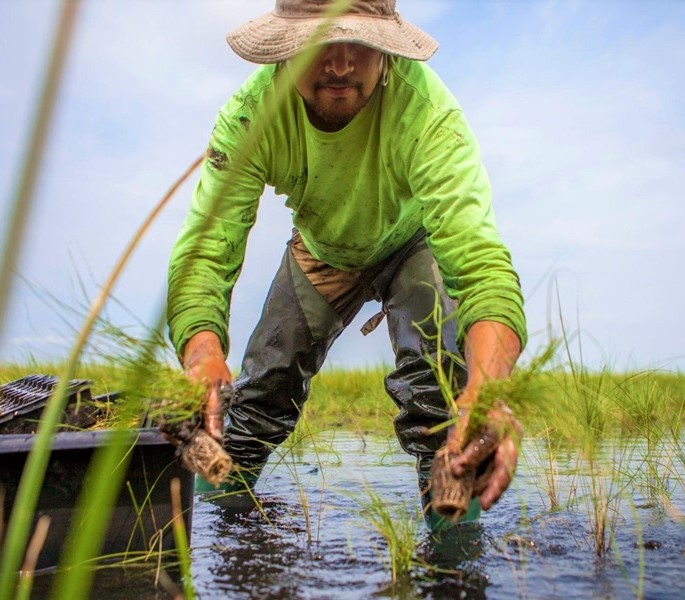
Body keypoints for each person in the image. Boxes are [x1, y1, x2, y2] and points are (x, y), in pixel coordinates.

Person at [166, 0, 527, 527]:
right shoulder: (252, 114)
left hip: (413, 241)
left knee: (445, 399)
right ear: (287, 47)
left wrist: (490, 390)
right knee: (256, 396)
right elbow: (207, 249)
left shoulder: (427, 112)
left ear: (386, 48)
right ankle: (223, 534)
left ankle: (453, 552)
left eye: (357, 43)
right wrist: (201, 357)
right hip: (323, 248)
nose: (338, 64)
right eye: (318, 44)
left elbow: (479, 265)